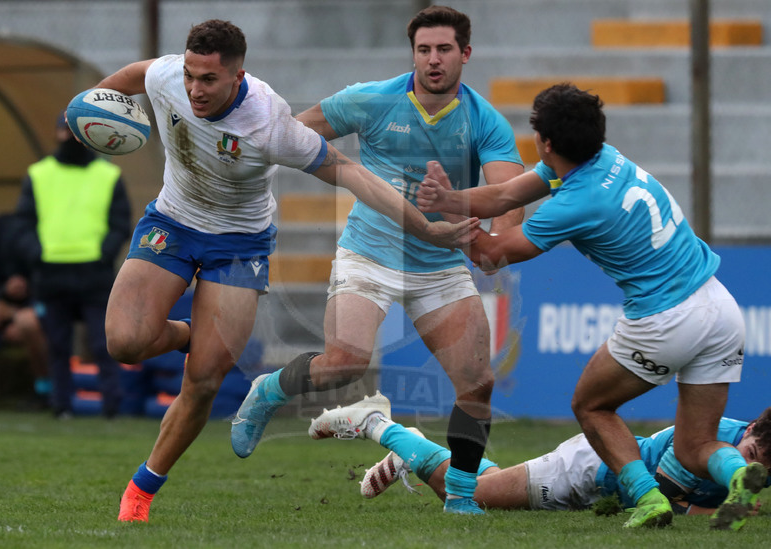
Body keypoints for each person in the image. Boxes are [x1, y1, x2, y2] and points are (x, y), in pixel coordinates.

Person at [94, 19, 477, 523]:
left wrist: (426, 230)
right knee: (124, 343)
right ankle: (194, 333)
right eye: (190, 76)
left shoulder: (269, 123)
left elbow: (354, 175)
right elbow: (138, 73)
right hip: (172, 220)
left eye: (208, 79)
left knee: (205, 380)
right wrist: (92, 101)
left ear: (238, 76)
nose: (194, 89)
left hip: (238, 243)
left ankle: (141, 491)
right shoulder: (170, 77)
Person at [415, 82, 768, 530]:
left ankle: (647, 498)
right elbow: (505, 196)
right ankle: (740, 474)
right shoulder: (603, 158)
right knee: (695, 445)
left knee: (592, 406)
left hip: (666, 316)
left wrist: (445, 221)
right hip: (721, 308)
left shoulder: (576, 202)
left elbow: (489, 255)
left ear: (545, 143)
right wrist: (450, 199)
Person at [230, 5, 524, 516]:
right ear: (413, 53)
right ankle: (269, 390)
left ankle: (459, 497)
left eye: (444, 50)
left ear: (466, 55)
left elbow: (510, 200)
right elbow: (294, 135)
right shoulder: (372, 99)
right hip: (369, 253)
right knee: (345, 364)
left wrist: (491, 237)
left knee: (477, 383)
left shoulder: (484, 121)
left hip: (439, 266)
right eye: (424, 50)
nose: (433, 60)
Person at [311, 395, 771, 522]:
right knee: (478, 495)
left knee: (489, 483)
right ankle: (379, 425)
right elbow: (673, 499)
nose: (751, 471)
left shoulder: (743, 463)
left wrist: (724, 510)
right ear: (748, 431)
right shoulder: (713, 436)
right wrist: (721, 507)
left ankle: (409, 449)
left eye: (762, 473)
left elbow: (705, 512)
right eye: (750, 457)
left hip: (598, 484)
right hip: (589, 471)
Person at [15, 114, 132, 419]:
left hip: (94, 273)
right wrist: (37, 253)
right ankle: (61, 405)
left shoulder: (108, 174)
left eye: (77, 131)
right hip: (51, 273)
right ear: (56, 133)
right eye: (65, 130)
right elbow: (24, 223)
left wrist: (104, 254)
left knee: (103, 343)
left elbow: (120, 224)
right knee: (57, 345)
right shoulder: (38, 174)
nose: (70, 137)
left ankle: (111, 407)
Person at [0, 195, 50, 409]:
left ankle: (46, 389)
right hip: (5, 311)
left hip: (41, 306)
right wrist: (3, 290)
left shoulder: (15, 232)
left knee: (26, 322)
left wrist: (26, 287)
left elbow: (42, 265)